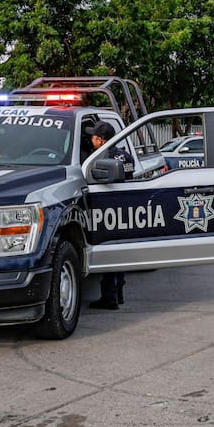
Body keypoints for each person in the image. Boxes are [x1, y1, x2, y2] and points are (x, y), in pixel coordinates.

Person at [86, 121, 134, 310]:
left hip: (108, 209)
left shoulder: (100, 157)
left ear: (100, 140)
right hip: (125, 207)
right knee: (119, 253)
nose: (91, 139)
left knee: (108, 254)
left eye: (93, 136)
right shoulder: (126, 156)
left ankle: (109, 298)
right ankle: (119, 293)